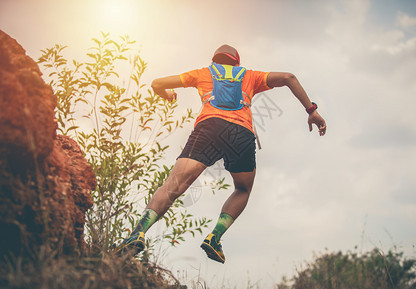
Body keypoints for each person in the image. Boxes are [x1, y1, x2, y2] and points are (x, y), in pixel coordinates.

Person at [114, 44, 327, 263]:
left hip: (209, 128)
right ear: (237, 62)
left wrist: (168, 95)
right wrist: (312, 111)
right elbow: (289, 77)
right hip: (241, 133)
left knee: (172, 187)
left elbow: (157, 84)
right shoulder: (250, 76)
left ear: (215, 60)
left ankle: (136, 234)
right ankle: (214, 237)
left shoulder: (203, 73)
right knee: (242, 189)